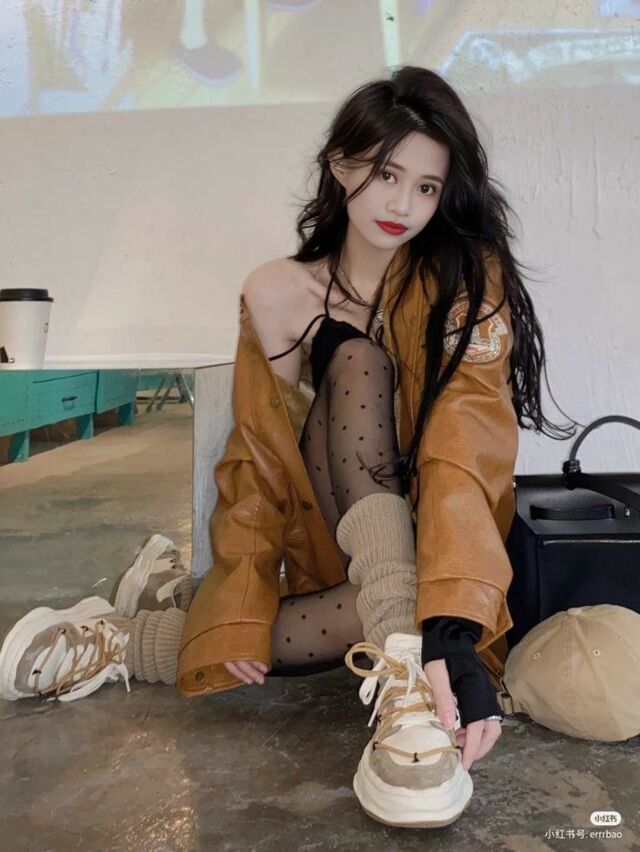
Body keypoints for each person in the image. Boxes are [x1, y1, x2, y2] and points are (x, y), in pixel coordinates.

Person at [0, 66, 575, 829]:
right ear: (340, 165)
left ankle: (135, 638)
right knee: (356, 361)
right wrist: (240, 588)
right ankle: (388, 666)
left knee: (391, 601)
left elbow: (461, 446)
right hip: (331, 539)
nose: (403, 204)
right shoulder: (279, 293)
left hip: (443, 550)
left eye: (427, 187)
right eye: (385, 174)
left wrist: (448, 629)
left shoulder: (463, 280)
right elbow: (260, 460)